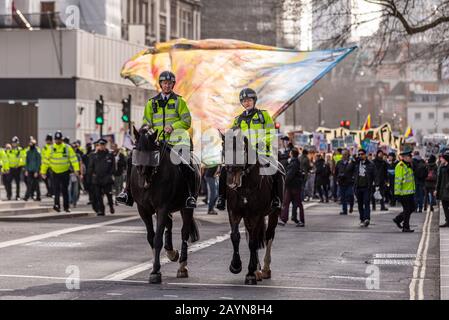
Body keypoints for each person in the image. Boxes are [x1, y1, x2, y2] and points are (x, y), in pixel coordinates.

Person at [117, 71, 198, 209]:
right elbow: (147, 120)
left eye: (169, 83)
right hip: (156, 141)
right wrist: (146, 128)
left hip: (176, 141)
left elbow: (186, 121)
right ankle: (127, 193)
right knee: (133, 158)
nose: (167, 85)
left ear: (173, 85)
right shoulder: (151, 103)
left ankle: (190, 195)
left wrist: (173, 126)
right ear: (160, 84)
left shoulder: (179, 101)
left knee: (186, 164)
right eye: (164, 83)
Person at [216, 88, 283, 211]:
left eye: (249, 100)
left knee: (276, 169)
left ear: (254, 100)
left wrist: (259, 144)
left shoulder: (263, 115)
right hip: (243, 154)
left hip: (261, 152)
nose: (246, 103)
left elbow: (271, 133)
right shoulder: (238, 119)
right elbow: (233, 136)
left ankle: (276, 199)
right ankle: (221, 197)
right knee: (225, 169)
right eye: (244, 101)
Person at [41, 131, 80, 213]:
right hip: (55, 172)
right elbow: (45, 161)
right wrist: (43, 172)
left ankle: (66, 207)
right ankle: (56, 205)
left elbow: (73, 159)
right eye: (56, 139)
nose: (58, 141)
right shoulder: (50, 148)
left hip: (65, 171)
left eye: (59, 139)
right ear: (54, 140)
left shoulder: (67, 148)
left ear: (62, 139)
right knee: (56, 190)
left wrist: (76, 169)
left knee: (65, 190)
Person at [88, 139, 115, 216]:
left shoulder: (110, 154)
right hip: (97, 178)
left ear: (105, 145)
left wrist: (110, 174)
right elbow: (90, 166)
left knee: (109, 194)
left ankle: (111, 206)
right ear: (98, 145)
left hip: (107, 178)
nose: (102, 146)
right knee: (98, 195)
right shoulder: (93, 155)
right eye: (100, 145)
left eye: (103, 145)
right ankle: (101, 210)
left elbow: (113, 166)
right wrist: (91, 175)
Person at [279, 148, 305, 227]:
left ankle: (285, 219)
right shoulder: (296, 162)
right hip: (294, 186)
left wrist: (284, 183)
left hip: (292, 186)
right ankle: (292, 219)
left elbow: (289, 175)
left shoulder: (293, 163)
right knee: (294, 203)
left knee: (289, 203)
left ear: (291, 154)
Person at [393, 148, 416, 232]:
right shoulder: (400, 166)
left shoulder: (408, 165)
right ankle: (406, 227)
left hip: (409, 192)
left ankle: (398, 219)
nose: (411, 158)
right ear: (405, 157)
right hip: (403, 193)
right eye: (409, 156)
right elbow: (398, 180)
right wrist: (397, 194)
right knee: (407, 210)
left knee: (412, 208)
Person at [354, 149, 375, 227]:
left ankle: (367, 219)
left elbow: (374, 174)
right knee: (360, 204)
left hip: (366, 187)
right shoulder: (356, 164)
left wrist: (376, 184)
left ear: (365, 155)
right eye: (359, 154)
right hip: (358, 187)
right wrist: (353, 161)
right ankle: (362, 219)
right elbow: (348, 170)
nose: (360, 156)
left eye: (362, 154)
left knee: (366, 203)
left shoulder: (370, 164)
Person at [335, 149, 355, 215]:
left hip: (349, 182)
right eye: (343, 154)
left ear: (348, 155)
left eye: (345, 154)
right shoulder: (339, 162)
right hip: (341, 182)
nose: (344, 156)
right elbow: (336, 172)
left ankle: (351, 206)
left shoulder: (351, 163)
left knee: (350, 195)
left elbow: (355, 171)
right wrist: (337, 179)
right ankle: (345, 210)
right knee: (343, 197)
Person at [436, 152, 449, 227]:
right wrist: (436, 189)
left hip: (447, 190)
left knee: (446, 206)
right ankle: (447, 221)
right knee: (445, 207)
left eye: (442, 158)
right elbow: (439, 180)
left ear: (446, 159)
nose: (441, 159)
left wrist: (447, 186)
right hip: (442, 190)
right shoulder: (442, 167)